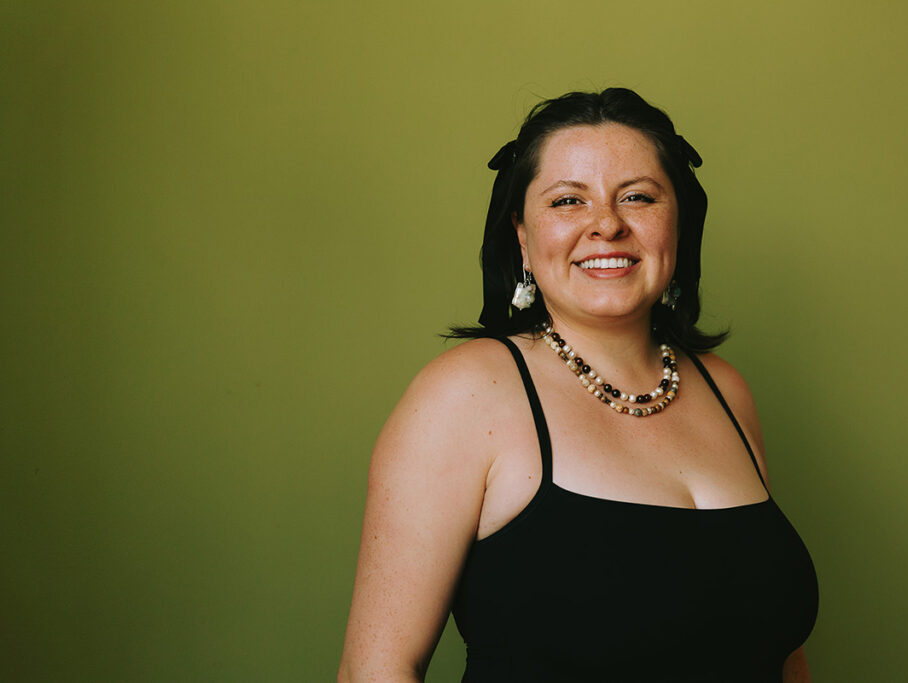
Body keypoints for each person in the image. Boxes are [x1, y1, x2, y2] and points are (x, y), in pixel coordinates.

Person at [338, 88, 818, 683]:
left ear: (678, 222)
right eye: (568, 201)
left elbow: (779, 656)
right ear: (521, 237)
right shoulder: (467, 393)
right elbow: (375, 670)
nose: (607, 225)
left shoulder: (725, 389)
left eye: (638, 197)